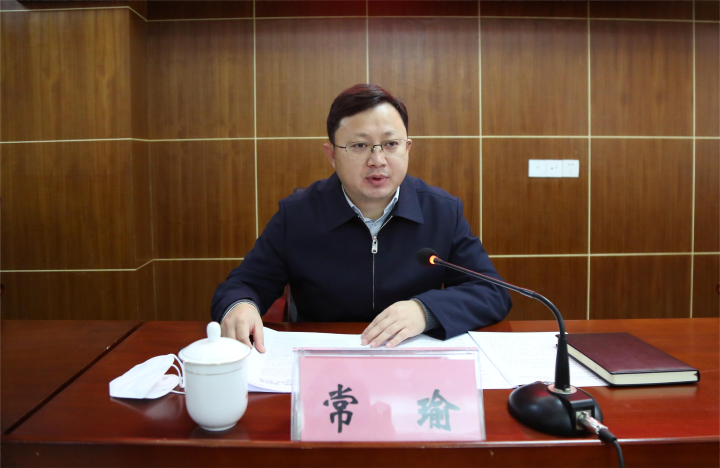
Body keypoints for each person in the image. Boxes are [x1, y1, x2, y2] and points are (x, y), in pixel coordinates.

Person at [211, 84, 511, 352]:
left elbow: (492, 292)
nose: (377, 160)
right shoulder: (298, 215)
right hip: (324, 359)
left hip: (410, 359)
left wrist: (425, 311)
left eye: (391, 144)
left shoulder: (441, 211)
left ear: (407, 148)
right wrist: (241, 306)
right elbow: (243, 285)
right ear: (332, 155)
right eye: (359, 146)